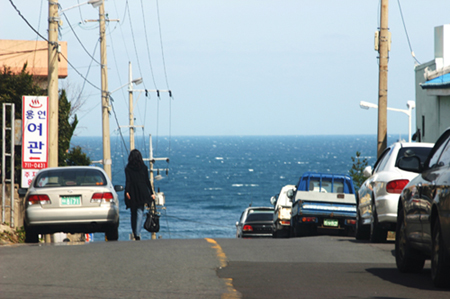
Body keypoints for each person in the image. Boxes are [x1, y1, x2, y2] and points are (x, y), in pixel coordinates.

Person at [125, 149, 155, 240]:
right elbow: (147, 181)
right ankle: (137, 233)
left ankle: (134, 231)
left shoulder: (128, 168)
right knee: (140, 211)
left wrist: (127, 191)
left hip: (132, 192)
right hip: (142, 191)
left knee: (133, 213)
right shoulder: (144, 167)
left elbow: (128, 181)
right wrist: (151, 192)